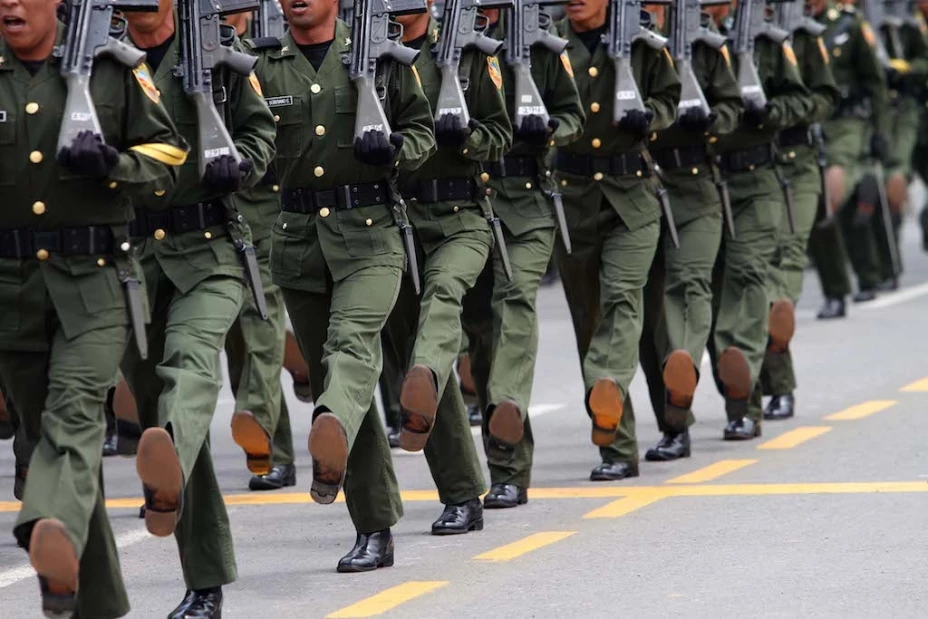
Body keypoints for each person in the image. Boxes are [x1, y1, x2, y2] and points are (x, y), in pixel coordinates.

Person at [0, 0, 186, 614]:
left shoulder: (112, 68)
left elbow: (170, 154)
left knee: (72, 419)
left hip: (95, 283)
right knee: (38, 434)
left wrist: (114, 164)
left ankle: (43, 523)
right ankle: (96, 601)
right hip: (10, 292)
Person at [250, 0, 436, 571]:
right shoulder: (258, 66)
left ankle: (328, 422)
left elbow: (422, 130)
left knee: (350, 352)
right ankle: (374, 527)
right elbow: (247, 145)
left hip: (372, 235)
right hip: (300, 241)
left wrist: (399, 150)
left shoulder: (381, 52)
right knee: (339, 379)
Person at [121, 0, 277, 615]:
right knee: (159, 407)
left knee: (189, 369)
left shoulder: (219, 57)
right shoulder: (101, 65)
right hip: (134, 257)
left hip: (209, 248)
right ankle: (204, 579)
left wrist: (239, 162)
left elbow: (260, 132)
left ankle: (166, 472)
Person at [365, 0, 510, 536]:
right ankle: (462, 493)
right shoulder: (367, 54)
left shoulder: (470, 55)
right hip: (395, 219)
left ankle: (423, 373)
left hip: (460, 216)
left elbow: (502, 134)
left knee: (443, 298)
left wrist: (466, 137)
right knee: (411, 347)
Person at [460, 6, 584, 505]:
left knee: (514, 303)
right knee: (481, 333)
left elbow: (573, 114)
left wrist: (550, 129)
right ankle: (501, 454)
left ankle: (509, 458)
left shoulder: (542, 41)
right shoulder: (447, 40)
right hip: (465, 203)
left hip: (526, 202)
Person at [554, 0, 681, 480]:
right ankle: (618, 446)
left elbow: (671, 98)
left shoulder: (643, 42)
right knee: (589, 319)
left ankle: (613, 392)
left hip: (631, 196)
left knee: (623, 300)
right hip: (572, 199)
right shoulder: (543, 43)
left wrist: (647, 118)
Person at [637, 2, 742, 461]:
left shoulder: (703, 42)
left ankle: (696, 404)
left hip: (694, 186)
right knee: (645, 311)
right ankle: (672, 422)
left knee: (689, 285)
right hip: (634, 188)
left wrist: (711, 123)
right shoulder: (617, 42)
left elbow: (733, 105)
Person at [707, 0, 809, 440]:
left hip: (760, 177)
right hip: (698, 184)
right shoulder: (675, 44)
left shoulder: (769, 42)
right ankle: (741, 390)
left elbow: (808, 98)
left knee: (751, 282)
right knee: (711, 300)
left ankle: (748, 403)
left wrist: (769, 113)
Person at [753, 1, 839, 422]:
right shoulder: (727, 32)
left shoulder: (804, 36)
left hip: (796, 160)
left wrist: (782, 111)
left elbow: (825, 98)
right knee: (752, 273)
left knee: (785, 261)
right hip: (747, 166)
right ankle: (747, 385)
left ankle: (780, 386)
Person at [224, 10, 298, 492]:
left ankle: (259, 423)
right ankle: (276, 448)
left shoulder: (268, 55)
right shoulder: (195, 56)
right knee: (239, 340)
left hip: (268, 208)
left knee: (262, 322)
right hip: (213, 213)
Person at [806, 0, 890, 319]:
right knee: (819, 206)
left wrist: (881, 130)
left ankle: (870, 275)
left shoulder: (849, 25)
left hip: (847, 125)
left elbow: (875, 82)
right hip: (809, 126)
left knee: (831, 197)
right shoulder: (788, 25)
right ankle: (838, 291)